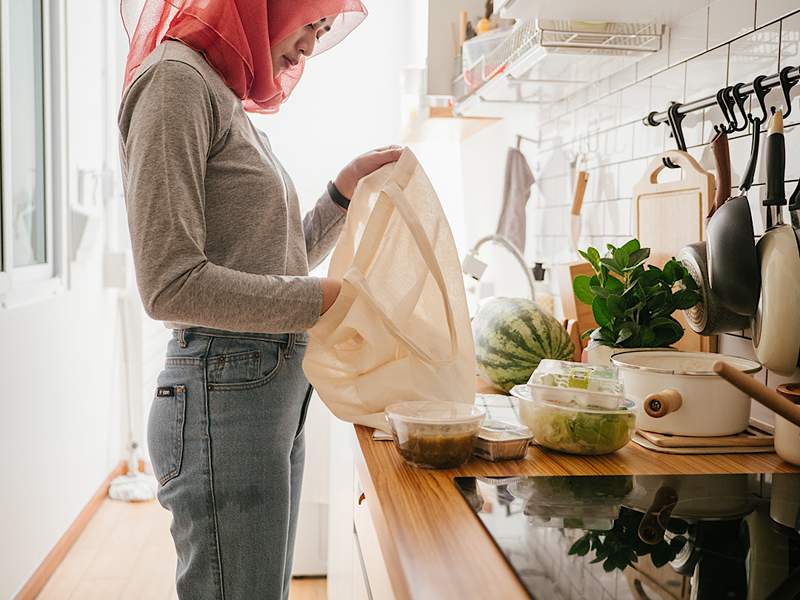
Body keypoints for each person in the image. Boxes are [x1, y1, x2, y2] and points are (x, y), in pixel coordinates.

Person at [117, 1, 401, 598]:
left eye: (320, 32)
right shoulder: (174, 84)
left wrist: (341, 192)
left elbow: (273, 259)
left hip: (258, 390)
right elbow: (170, 283)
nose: (308, 49)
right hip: (226, 392)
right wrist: (324, 299)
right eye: (310, 25)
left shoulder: (218, 94)